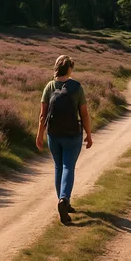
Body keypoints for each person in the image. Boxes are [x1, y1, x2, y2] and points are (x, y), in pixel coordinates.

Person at [36, 55, 93, 224]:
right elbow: (84, 114)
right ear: (69, 69)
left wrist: (39, 134)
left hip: (53, 134)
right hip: (73, 135)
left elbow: (42, 115)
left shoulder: (50, 86)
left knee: (58, 167)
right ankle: (64, 200)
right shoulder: (76, 87)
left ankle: (63, 202)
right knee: (69, 166)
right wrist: (88, 134)